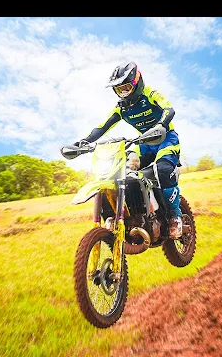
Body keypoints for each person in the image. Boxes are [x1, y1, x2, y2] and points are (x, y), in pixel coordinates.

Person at [73, 62, 183, 238]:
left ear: (137, 82)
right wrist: (83, 142)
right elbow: (102, 127)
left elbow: (168, 109)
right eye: (119, 89)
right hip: (144, 143)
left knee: (163, 170)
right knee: (119, 171)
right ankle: (121, 216)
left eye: (126, 87)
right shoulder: (121, 108)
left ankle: (174, 217)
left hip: (166, 138)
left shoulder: (151, 94)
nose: (123, 92)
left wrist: (162, 125)